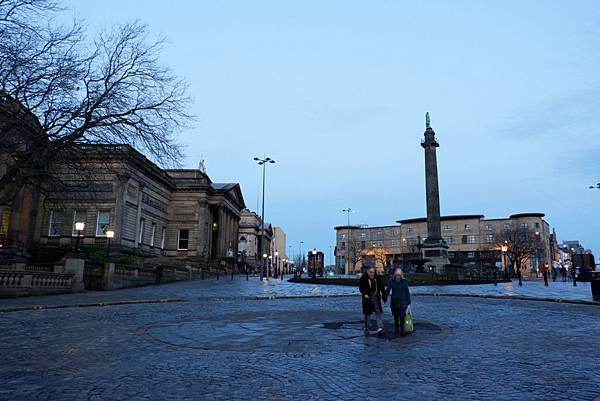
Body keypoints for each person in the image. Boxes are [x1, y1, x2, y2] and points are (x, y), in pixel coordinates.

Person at [359, 267, 387, 337]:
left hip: (375, 297)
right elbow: (361, 287)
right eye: (371, 272)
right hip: (367, 298)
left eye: (373, 272)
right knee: (367, 314)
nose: (372, 274)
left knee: (378, 312)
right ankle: (366, 328)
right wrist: (365, 294)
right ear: (368, 272)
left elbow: (381, 287)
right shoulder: (363, 278)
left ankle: (380, 328)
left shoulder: (377, 278)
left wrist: (384, 295)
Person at [386, 268, 411, 335]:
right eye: (397, 275)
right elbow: (388, 290)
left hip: (403, 301)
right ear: (395, 275)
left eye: (399, 275)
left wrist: (408, 302)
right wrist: (385, 296)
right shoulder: (392, 281)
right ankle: (397, 329)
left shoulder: (404, 282)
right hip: (395, 302)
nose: (398, 276)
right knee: (396, 316)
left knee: (402, 316)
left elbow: (407, 292)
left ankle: (402, 329)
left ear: (401, 275)